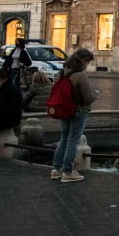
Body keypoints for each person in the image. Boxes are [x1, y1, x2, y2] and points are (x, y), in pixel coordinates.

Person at [51, 49, 96, 183]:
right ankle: (68, 172)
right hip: (79, 110)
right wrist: (95, 94)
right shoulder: (80, 75)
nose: (87, 64)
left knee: (63, 139)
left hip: (65, 109)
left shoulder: (61, 73)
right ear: (83, 60)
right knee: (73, 140)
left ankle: (56, 169)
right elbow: (88, 97)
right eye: (87, 61)